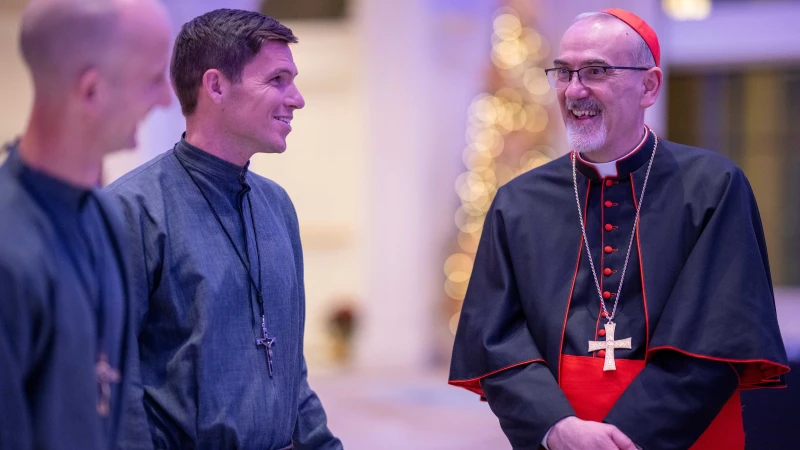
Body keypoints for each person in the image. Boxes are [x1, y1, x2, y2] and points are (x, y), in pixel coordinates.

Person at [449, 8, 789, 450]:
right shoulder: (518, 202)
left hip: (682, 436)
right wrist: (555, 428)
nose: (574, 90)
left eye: (595, 71)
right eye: (564, 72)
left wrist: (625, 439)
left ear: (649, 85)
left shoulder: (714, 187)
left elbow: (719, 332)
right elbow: (496, 339)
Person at [107, 9, 341, 450]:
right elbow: (113, 385)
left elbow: (291, 368)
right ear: (215, 85)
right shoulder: (132, 210)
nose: (297, 98)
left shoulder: (277, 206)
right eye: (277, 80)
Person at [0, 0, 172, 448]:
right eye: (154, 79)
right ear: (91, 91)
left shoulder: (107, 218)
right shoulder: (8, 250)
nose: (166, 98)